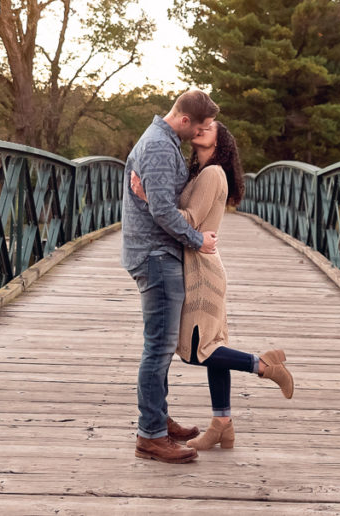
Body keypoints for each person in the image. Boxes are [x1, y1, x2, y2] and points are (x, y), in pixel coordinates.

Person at [130, 121, 294, 452]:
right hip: (201, 266)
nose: (203, 127)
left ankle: (263, 366)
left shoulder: (213, 174)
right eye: (200, 124)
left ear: (221, 142)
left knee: (198, 351)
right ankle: (222, 425)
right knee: (213, 347)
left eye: (210, 126)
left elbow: (188, 221)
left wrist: (148, 198)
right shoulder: (201, 174)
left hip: (201, 271)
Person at [121, 89, 220, 463]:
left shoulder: (161, 141)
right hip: (155, 256)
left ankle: (158, 420)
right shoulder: (161, 148)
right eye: (198, 127)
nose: (199, 133)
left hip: (155, 252)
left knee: (159, 345)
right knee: (159, 347)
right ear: (183, 120)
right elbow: (164, 211)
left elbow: (161, 201)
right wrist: (198, 240)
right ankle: (150, 435)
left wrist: (151, 199)